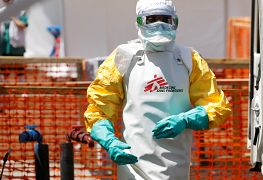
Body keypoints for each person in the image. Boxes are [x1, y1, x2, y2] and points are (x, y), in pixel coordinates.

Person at [84, 0, 231, 179]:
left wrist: (187, 119)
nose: (159, 24)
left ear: (175, 21)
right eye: (152, 19)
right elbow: (98, 110)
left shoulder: (188, 59)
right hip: (133, 167)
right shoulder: (124, 58)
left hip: (176, 167)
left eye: (165, 19)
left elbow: (217, 106)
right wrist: (109, 141)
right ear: (139, 21)